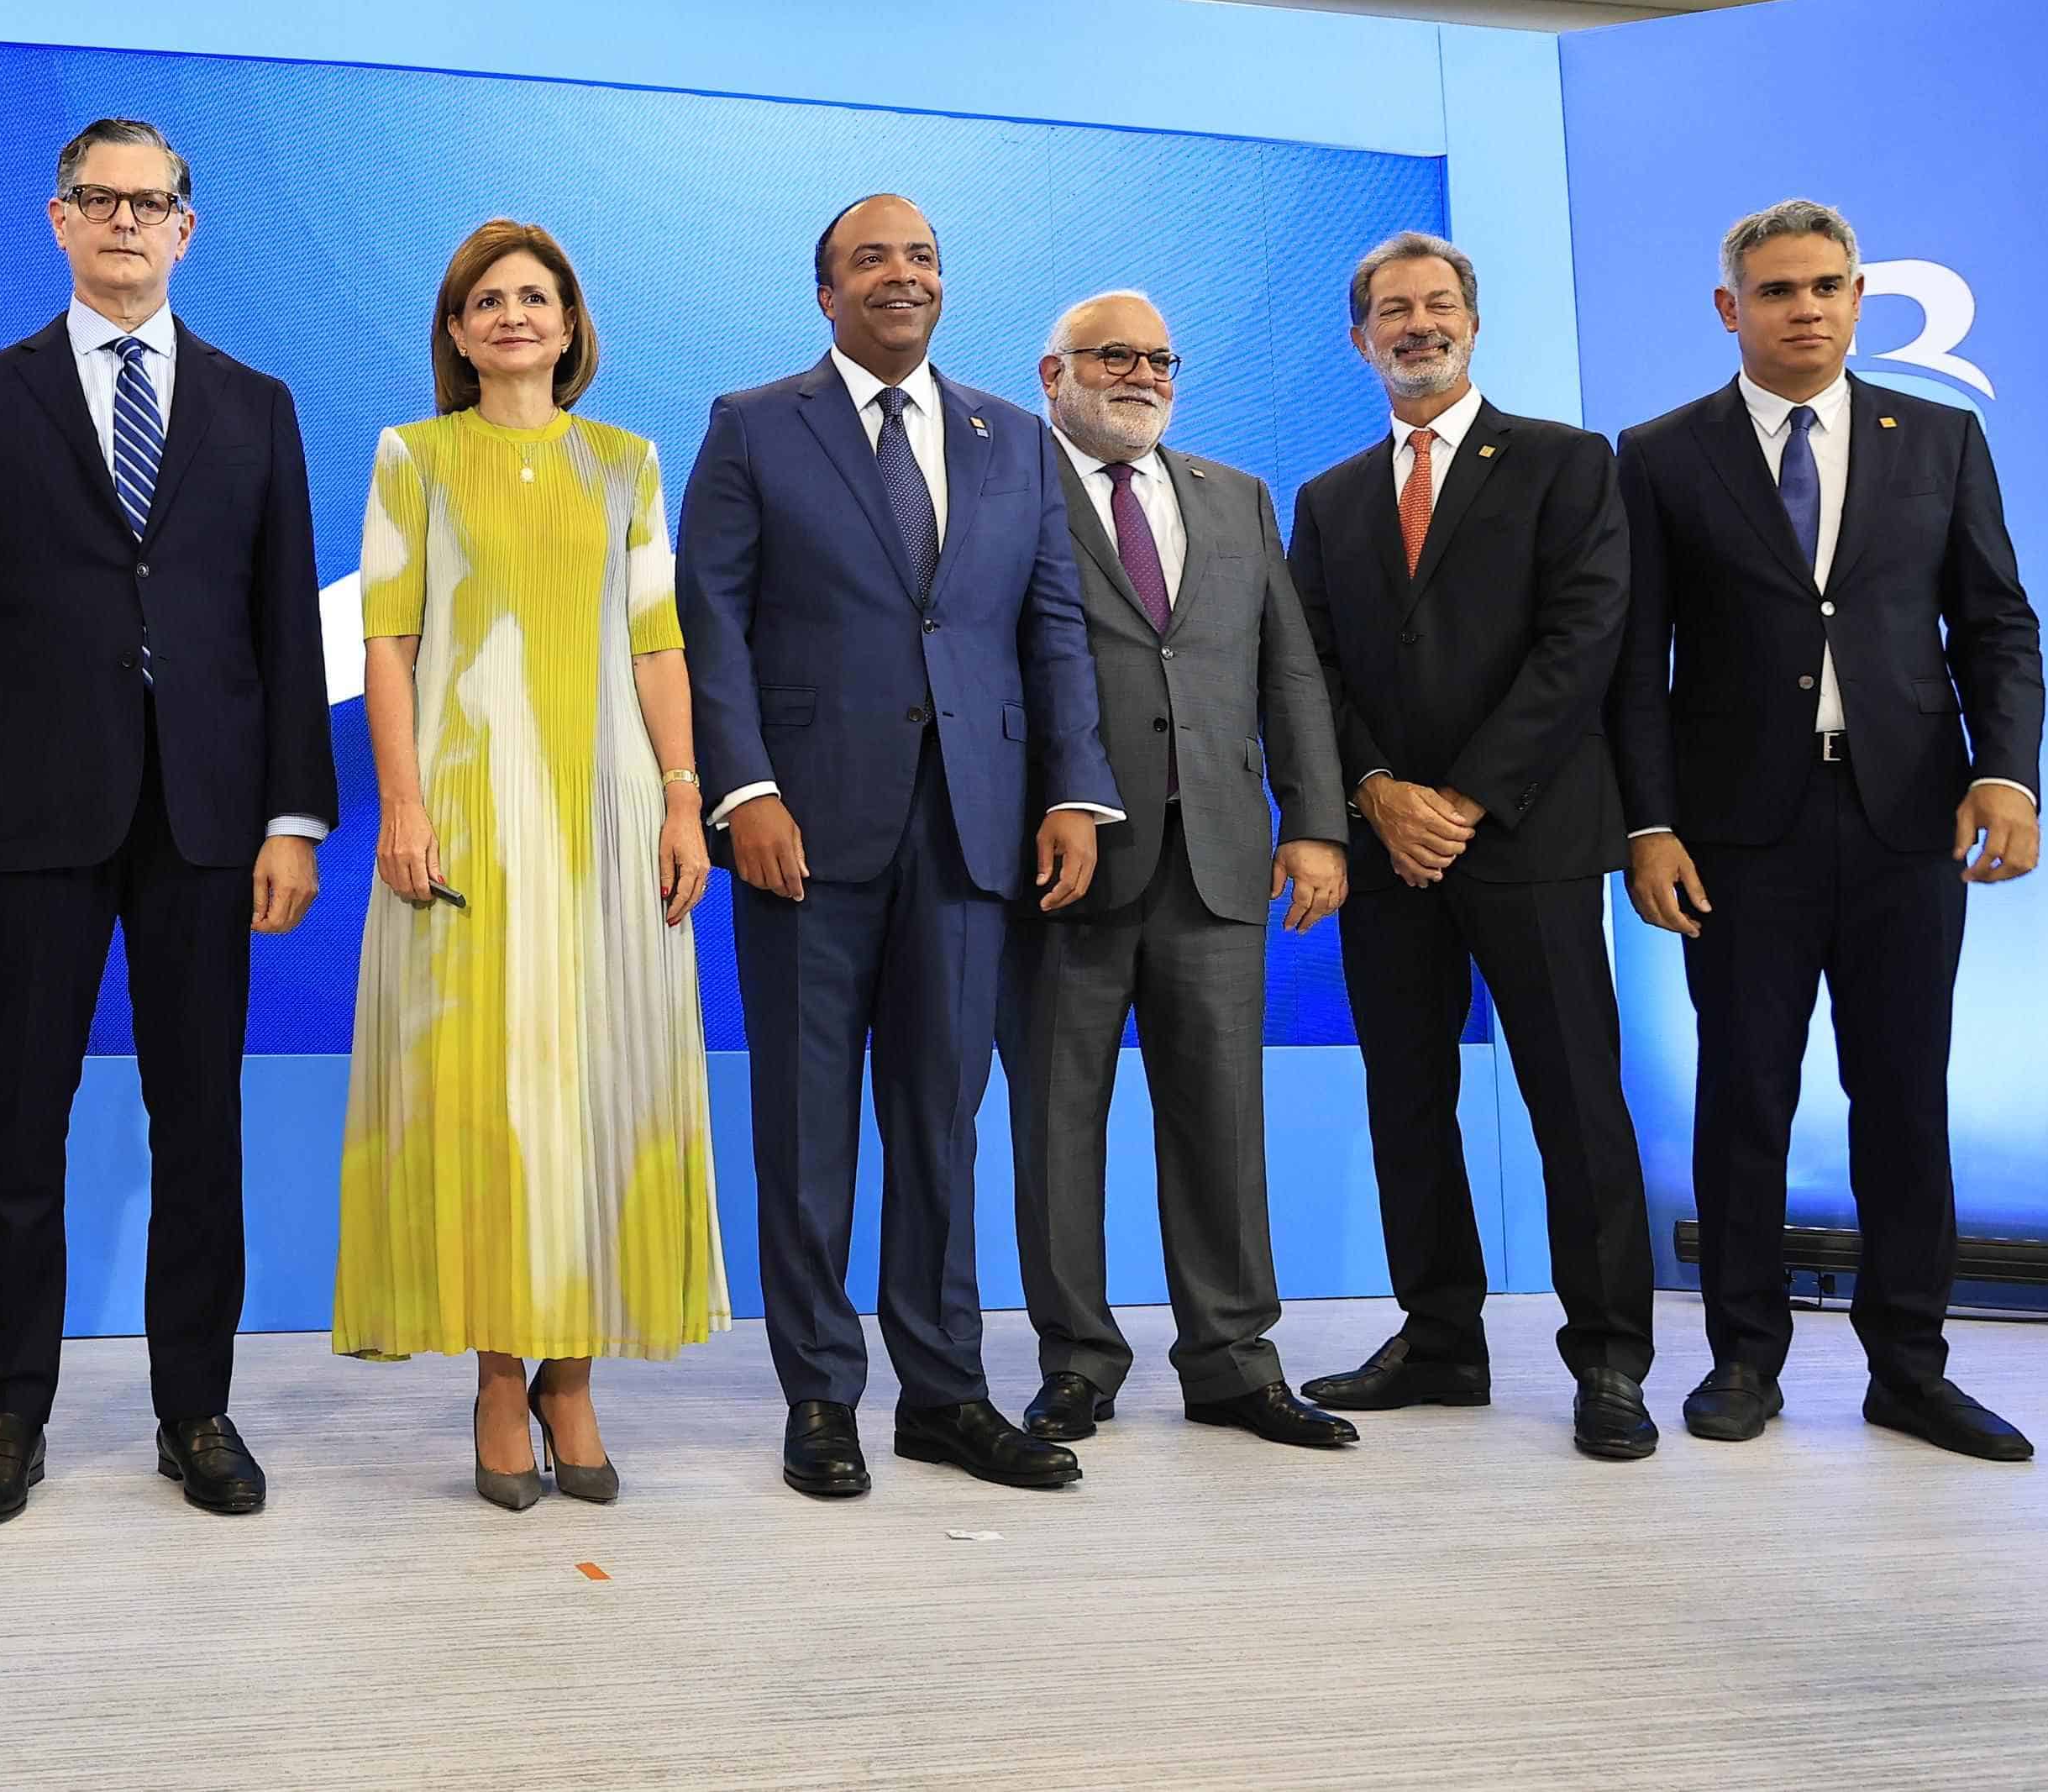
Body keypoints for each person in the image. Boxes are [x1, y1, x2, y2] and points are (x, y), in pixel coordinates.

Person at [0, 116, 334, 1528]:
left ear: (186, 228)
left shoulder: (258, 404)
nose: (126, 221)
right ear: (59, 218)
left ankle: (195, 1409)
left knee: (200, 1125)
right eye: (100, 199)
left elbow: (283, 622)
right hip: (29, 819)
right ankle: (7, 1416)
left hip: (209, 824)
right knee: (20, 1122)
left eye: (151, 203)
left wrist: (294, 815)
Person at [676, 194, 1118, 1503]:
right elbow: (710, 617)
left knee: (941, 1123)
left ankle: (943, 1393)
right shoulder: (754, 425)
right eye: (871, 258)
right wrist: (744, 788)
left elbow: (1052, 624)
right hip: (801, 832)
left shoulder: (1012, 435)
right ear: (826, 293)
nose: (901, 274)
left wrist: (1074, 790)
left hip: (974, 828)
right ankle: (821, 1392)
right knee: (806, 1128)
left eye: (921, 256)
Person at [1613, 201, 2043, 1461]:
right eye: (1778, 289)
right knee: (1745, 1094)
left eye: (1826, 286)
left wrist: (2008, 777)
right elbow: (1636, 663)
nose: (1805, 308)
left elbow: (1996, 624)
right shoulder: (1659, 452)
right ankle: (1744, 1358)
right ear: (1728, 308)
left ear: (1857, 299)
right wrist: (1649, 824)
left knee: (1904, 1096)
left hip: (1909, 820)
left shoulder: (1942, 437)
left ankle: (1910, 1367)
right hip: (1738, 832)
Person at [339, 220, 729, 1511]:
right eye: (488, 300)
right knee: (492, 1096)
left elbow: (658, 644)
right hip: (467, 815)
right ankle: (501, 1378)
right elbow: (388, 642)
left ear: (570, 326)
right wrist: (403, 802)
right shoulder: (414, 456)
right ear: (458, 332)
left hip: (611, 816)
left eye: (536, 297)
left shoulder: (628, 462)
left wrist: (684, 800)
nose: (513, 314)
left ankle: (575, 1376)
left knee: (599, 1088)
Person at [1288, 232, 1658, 1460]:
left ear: (1474, 321)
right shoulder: (1330, 498)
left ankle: (1610, 1359)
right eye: (1393, 309)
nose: (1418, 324)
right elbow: (1310, 668)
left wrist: (1463, 801)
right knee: (1407, 1101)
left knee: (1576, 1102)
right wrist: (1378, 793)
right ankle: (1441, 1338)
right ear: (1360, 338)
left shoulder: (1566, 462)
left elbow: (1583, 642)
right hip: (1386, 849)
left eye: (1438, 303)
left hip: (1529, 837)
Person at [1001, 292, 1356, 1452]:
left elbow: (1288, 671)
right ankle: (1077, 1362)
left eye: (1160, 358)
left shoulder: (1236, 495)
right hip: (1062, 862)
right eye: (1114, 356)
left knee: (1222, 1123)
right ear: (1054, 373)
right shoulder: (1006, 485)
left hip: (1218, 856)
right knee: (1059, 1124)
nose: (1142, 374)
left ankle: (1233, 1361)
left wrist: (1315, 822)